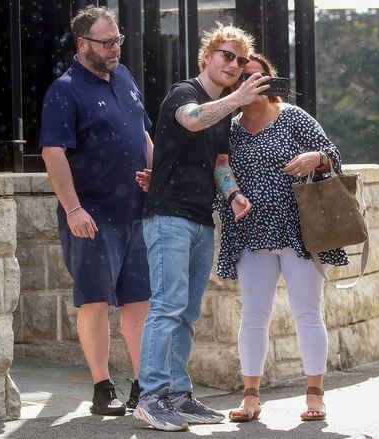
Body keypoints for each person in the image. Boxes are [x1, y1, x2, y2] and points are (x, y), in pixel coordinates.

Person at [132, 24, 270, 432]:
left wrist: (233, 196)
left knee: (187, 312)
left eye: (241, 60)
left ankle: (177, 394)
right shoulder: (184, 93)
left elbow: (220, 165)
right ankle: (151, 397)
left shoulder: (224, 113)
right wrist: (237, 98)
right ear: (207, 57)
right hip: (167, 217)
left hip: (199, 219)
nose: (234, 64)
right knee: (167, 306)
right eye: (226, 55)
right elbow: (192, 121)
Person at [217, 53, 349, 423]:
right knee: (254, 316)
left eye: (260, 77)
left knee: (307, 313)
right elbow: (219, 168)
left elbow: (333, 157)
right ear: (235, 86)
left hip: (298, 231)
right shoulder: (229, 127)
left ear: (271, 81)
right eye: (245, 78)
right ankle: (251, 397)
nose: (253, 83)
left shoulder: (293, 116)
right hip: (250, 233)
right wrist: (232, 194)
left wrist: (314, 158)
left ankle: (315, 394)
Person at [40, 5, 152, 416]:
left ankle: (144, 386)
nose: (116, 48)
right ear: (82, 43)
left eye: (118, 39)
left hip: (135, 212)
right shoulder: (64, 90)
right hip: (91, 216)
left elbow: (141, 131)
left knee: (140, 301)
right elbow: (53, 153)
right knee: (96, 302)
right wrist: (72, 209)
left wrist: (154, 174)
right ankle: (103, 388)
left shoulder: (123, 77)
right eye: (107, 42)